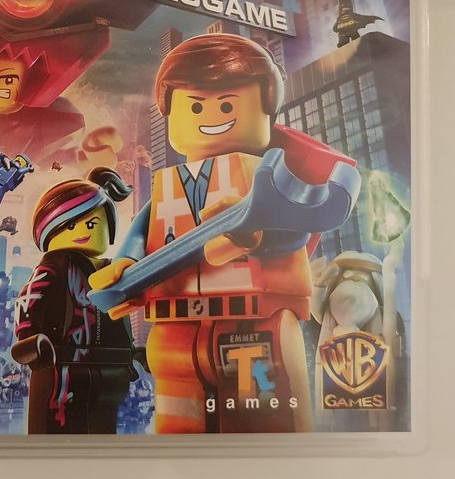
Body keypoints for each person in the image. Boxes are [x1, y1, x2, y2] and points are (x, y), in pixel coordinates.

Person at [90, 34, 357, 433]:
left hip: (253, 322)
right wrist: (126, 264)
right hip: (176, 326)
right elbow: (146, 228)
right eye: (195, 105)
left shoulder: (267, 176)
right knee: (179, 415)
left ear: (266, 107)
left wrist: (254, 238)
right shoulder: (170, 185)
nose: (210, 115)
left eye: (228, 104)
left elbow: (296, 230)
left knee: (260, 415)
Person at [11, 168, 138, 434]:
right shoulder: (55, 266)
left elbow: (120, 312)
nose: (82, 231)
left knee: (103, 432)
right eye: (70, 225)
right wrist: (30, 339)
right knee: (54, 435)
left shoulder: (112, 269)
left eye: (92, 224)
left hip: (111, 369)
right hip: (63, 369)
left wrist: (132, 351)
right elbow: (29, 298)